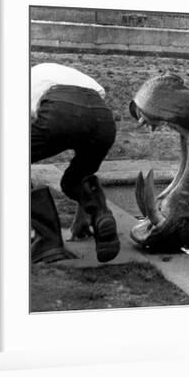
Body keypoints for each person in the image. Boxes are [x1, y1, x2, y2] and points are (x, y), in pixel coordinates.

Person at [30, 62, 120, 263]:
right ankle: (101, 214)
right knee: (75, 179)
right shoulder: (68, 75)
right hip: (102, 118)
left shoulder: (25, 82)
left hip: (59, 109)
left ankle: (47, 240)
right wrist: (82, 217)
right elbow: (87, 117)